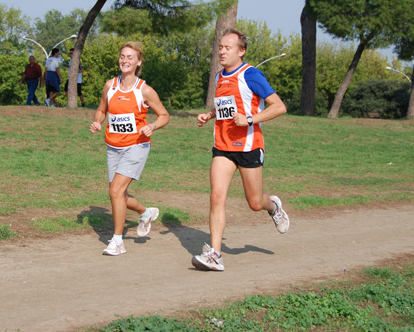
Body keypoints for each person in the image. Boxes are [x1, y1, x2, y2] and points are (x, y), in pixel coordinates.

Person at [192, 29, 289, 271]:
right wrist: (209, 115)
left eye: (228, 47)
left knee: (255, 203)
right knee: (216, 197)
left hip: (248, 147)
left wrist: (250, 119)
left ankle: (273, 206)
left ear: (241, 51)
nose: (222, 51)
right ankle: (215, 254)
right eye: (220, 47)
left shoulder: (251, 75)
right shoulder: (218, 77)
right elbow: (225, 107)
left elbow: (279, 107)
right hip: (222, 146)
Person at [90, 41, 170, 256]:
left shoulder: (144, 90)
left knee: (116, 190)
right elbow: (101, 110)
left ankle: (117, 241)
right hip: (112, 146)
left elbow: (164, 115)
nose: (125, 60)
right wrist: (98, 121)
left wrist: (152, 126)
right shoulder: (110, 85)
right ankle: (146, 213)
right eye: (122, 56)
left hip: (136, 145)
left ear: (138, 62)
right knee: (117, 194)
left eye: (130, 57)